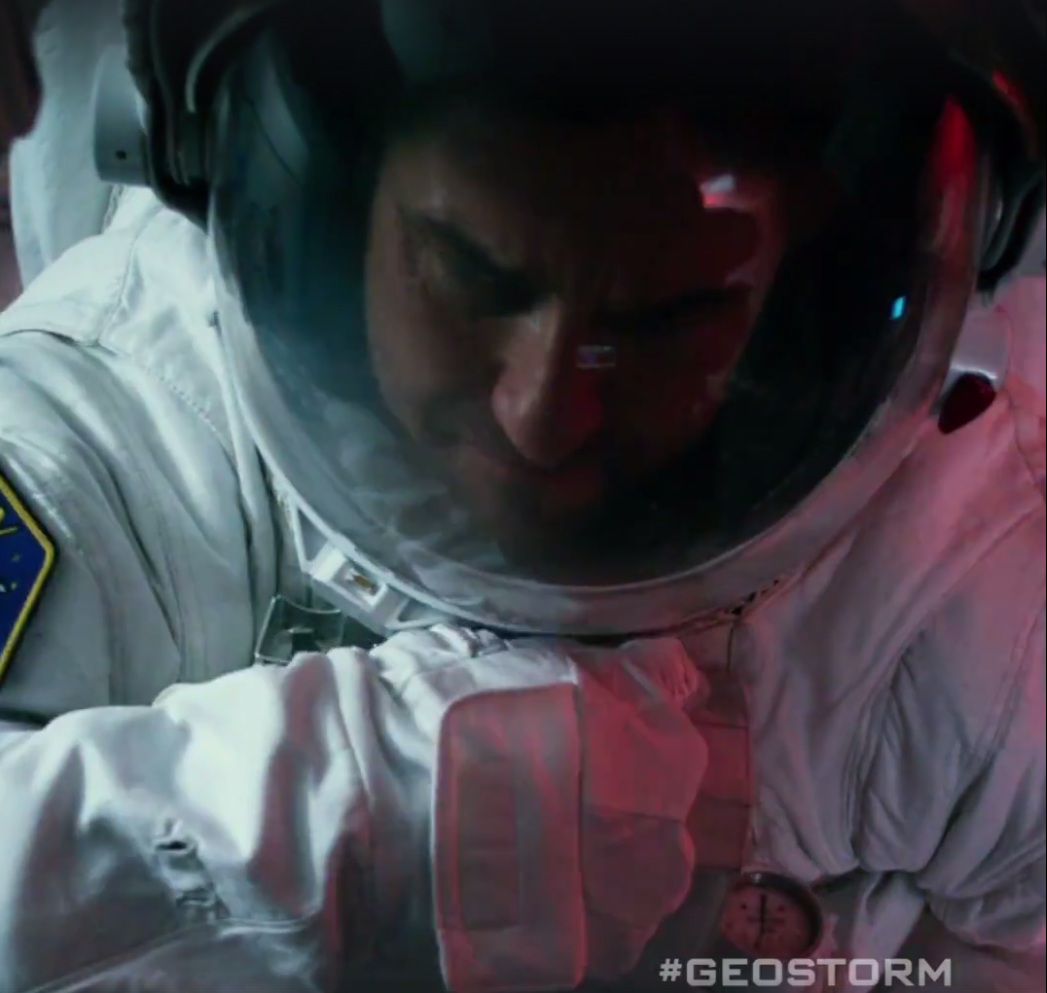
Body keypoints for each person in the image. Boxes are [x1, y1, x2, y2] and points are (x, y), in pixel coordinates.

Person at [0, 0, 1043, 990]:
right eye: (471, 279)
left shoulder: (954, 561)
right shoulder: (116, 429)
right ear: (333, 209)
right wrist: (363, 818)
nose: (543, 418)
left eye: (664, 319)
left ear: (816, 288)